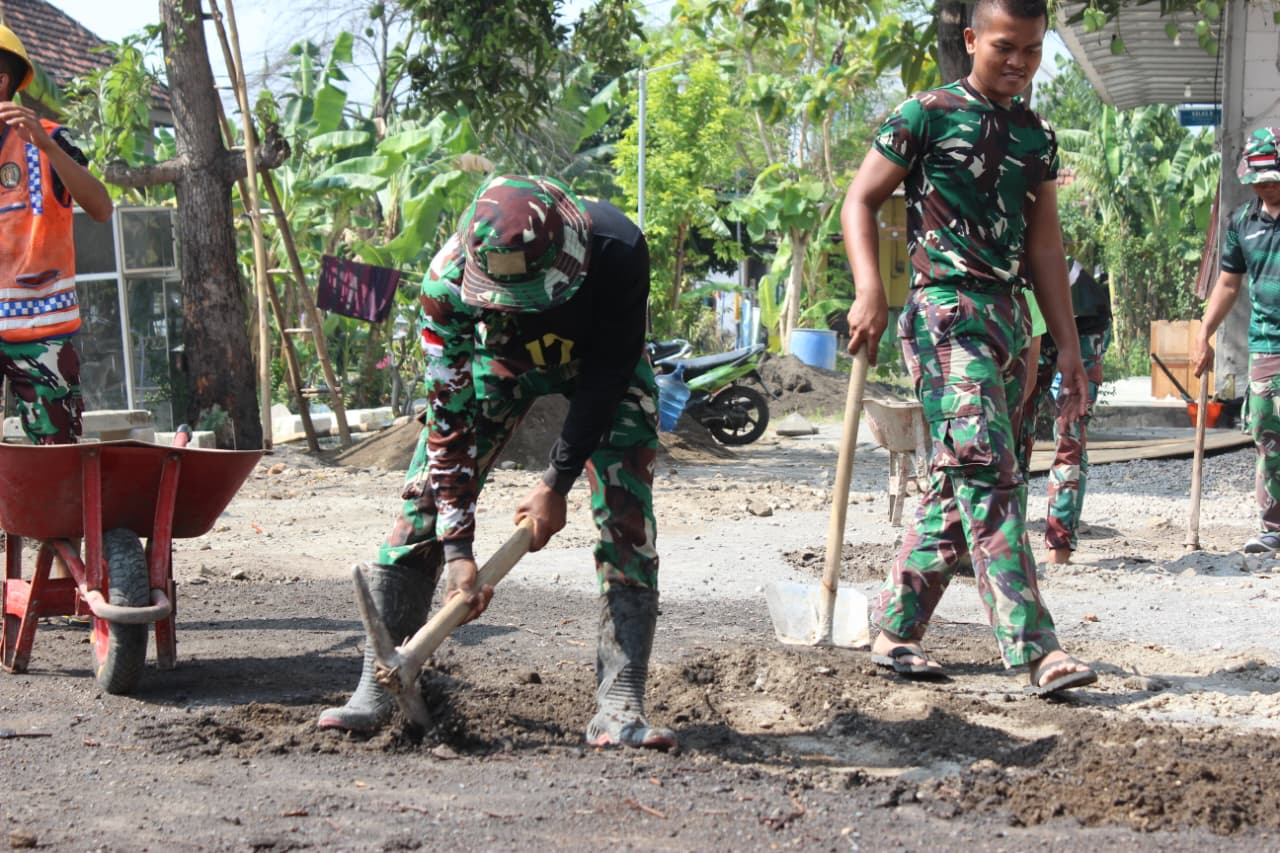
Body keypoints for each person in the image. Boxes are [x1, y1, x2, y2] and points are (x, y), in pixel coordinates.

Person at [319, 175, 677, 750]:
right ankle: (380, 684)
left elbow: (609, 374)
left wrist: (555, 482)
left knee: (627, 516)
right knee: (424, 503)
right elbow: (448, 416)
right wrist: (458, 547)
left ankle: (620, 701)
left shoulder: (617, 249)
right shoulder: (446, 281)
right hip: (499, 363)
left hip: (601, 369)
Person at [840, 0, 1098, 695]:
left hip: (1010, 320)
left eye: (1034, 51)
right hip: (944, 313)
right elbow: (860, 200)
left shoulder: (1037, 136)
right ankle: (1035, 648)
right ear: (972, 37)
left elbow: (1045, 245)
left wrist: (1064, 345)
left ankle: (894, 629)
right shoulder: (924, 115)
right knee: (987, 471)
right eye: (1005, 47)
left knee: (963, 478)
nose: (1019, 63)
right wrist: (869, 288)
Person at [0, 25, 113, 444]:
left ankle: (58, 512)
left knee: (56, 450)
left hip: (42, 329)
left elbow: (101, 208)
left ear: (2, 82)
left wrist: (48, 149)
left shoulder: (49, 138)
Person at [1193, 127, 1280, 554]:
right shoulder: (1242, 223)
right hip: (1266, 344)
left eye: (1272, 175)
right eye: (1258, 176)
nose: (1265, 183)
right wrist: (1204, 333)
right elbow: (1228, 283)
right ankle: (1274, 527)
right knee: (1266, 431)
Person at [1021, 261, 1112, 564]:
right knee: (1016, 428)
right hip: (1033, 323)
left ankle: (1059, 547)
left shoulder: (1018, 268)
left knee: (1068, 428)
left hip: (1083, 322)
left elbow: (1031, 366)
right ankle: (1006, 540)